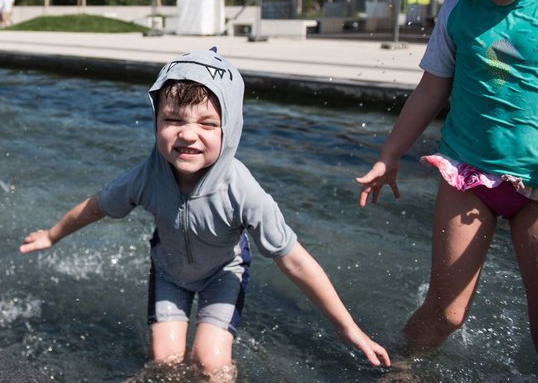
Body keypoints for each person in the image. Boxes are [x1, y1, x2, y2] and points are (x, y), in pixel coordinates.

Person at [21, 48, 390, 380]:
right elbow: (96, 207)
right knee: (164, 361)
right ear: (155, 121)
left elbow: (294, 261)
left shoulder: (242, 191)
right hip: (169, 272)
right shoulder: (146, 176)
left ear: (230, 130)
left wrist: (347, 327)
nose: (188, 134)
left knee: (210, 364)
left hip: (223, 274)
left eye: (207, 124)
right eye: (173, 120)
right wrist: (52, 235)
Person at [356, 0, 538, 354]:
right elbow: (431, 90)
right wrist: (390, 153)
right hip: (469, 175)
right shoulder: (460, 8)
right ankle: (397, 365)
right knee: (447, 313)